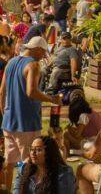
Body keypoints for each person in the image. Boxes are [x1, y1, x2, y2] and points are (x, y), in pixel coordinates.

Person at [0, 36, 62, 191]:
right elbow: (31, 91)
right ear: (38, 49)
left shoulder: (10, 63)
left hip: (8, 122)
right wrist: (52, 99)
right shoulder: (33, 65)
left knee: (9, 161)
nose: (43, 56)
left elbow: (1, 92)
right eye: (43, 53)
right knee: (31, 161)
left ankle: (7, 190)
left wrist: (5, 114)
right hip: (27, 122)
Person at [62, 95, 101, 160]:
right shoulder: (94, 113)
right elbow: (80, 132)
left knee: (66, 134)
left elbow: (77, 134)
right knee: (68, 133)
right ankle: (68, 154)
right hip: (99, 143)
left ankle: (66, 155)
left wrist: (69, 128)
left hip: (93, 144)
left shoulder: (83, 116)